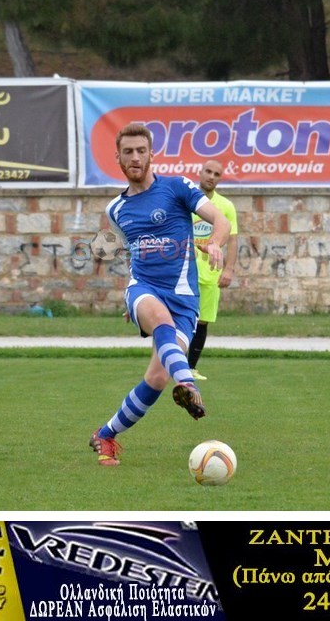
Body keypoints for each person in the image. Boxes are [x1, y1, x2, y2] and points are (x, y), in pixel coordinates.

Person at [89, 123, 231, 466]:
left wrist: (215, 243)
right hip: (145, 288)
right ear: (118, 158)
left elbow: (221, 220)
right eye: (128, 152)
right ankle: (189, 385)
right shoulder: (115, 209)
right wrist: (136, 303)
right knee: (162, 324)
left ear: (151, 154)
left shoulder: (177, 187)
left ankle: (105, 435)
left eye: (141, 150)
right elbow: (131, 252)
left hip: (184, 299)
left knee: (155, 378)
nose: (135, 157)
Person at [187, 159, 238, 380]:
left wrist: (229, 269)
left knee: (202, 321)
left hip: (210, 272)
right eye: (208, 171)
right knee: (178, 318)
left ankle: (190, 368)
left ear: (220, 179)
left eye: (216, 174)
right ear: (200, 172)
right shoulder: (185, 200)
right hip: (184, 271)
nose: (211, 176)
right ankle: (171, 365)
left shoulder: (225, 206)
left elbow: (233, 239)